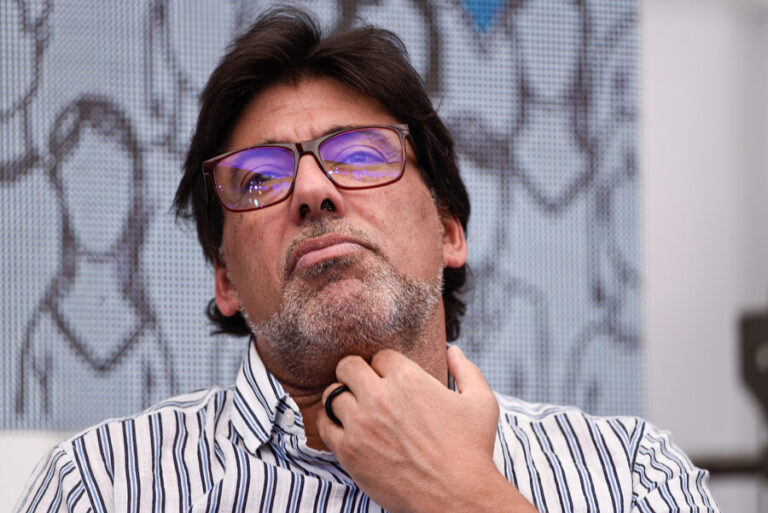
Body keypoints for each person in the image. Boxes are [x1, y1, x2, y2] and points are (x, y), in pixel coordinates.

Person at [16, 7, 719, 513]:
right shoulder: (102, 487)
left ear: (448, 230)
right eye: (259, 178)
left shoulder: (632, 474)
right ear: (225, 279)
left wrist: (461, 493)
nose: (312, 190)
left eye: (358, 154)